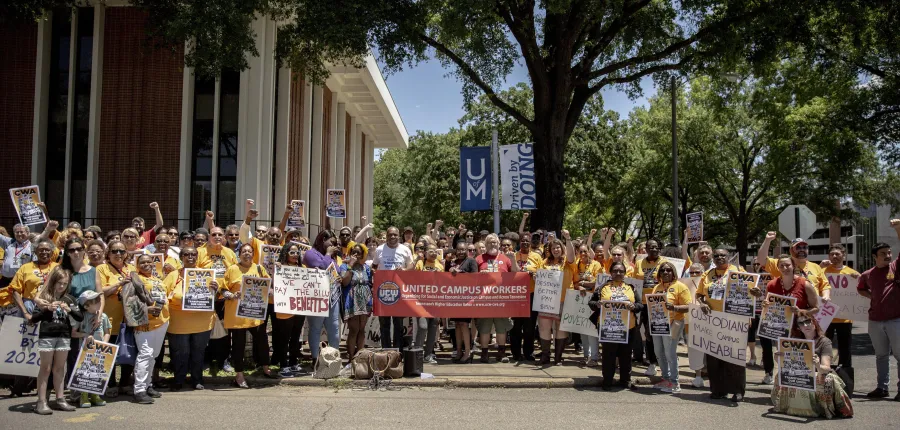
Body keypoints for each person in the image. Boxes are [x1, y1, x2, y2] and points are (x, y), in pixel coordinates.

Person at [695, 247, 753, 403]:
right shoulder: (707, 275)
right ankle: (718, 390)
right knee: (714, 358)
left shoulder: (739, 272)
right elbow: (699, 294)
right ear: (713, 259)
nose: (720, 257)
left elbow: (750, 293)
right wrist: (701, 303)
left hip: (734, 321)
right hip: (713, 321)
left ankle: (738, 391)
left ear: (729, 257)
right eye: (717, 255)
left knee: (734, 358)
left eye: (723, 255)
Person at [770, 316, 853, 418]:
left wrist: (817, 364)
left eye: (808, 321)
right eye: (801, 323)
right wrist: (777, 358)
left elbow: (826, 368)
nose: (806, 325)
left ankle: (824, 409)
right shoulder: (793, 341)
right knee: (780, 375)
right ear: (799, 328)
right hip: (800, 373)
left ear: (814, 324)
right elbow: (785, 365)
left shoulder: (824, 342)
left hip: (819, 372)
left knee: (827, 379)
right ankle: (784, 406)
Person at [222, 243, 276, 388]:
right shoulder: (232, 269)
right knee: (238, 346)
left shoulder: (259, 268)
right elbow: (222, 290)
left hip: (255, 315)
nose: (247, 253)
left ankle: (266, 367)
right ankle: (239, 375)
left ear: (253, 254)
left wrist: (270, 291)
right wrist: (232, 295)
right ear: (239, 254)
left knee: (262, 341)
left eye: (249, 251)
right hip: (237, 316)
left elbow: (268, 285)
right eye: (244, 251)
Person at [165, 246, 218, 390]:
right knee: (180, 353)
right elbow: (164, 295)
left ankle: (197, 379)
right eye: (186, 254)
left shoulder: (206, 274)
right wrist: (178, 300)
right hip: (179, 323)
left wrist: (215, 288)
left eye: (193, 254)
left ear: (197, 257)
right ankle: (178, 379)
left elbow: (213, 297)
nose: (190, 257)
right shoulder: (173, 275)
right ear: (181, 257)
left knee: (198, 353)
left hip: (202, 323)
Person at [30, 267, 81, 414]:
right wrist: (48, 309)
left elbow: (79, 317)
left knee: (59, 368)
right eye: (59, 283)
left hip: (64, 335)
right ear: (52, 282)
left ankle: (60, 399)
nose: (61, 286)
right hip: (47, 335)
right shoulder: (44, 297)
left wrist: (69, 309)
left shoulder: (69, 298)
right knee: (45, 368)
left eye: (64, 284)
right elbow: (34, 318)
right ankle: (41, 401)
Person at [857, 224, 900, 399]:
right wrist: (873, 297)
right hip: (875, 321)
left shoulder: (896, 267)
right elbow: (860, 288)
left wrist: (898, 229)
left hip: (895, 319)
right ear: (875, 256)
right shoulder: (867, 274)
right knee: (881, 355)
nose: (888, 255)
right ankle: (882, 388)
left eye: (889, 252)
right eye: (883, 253)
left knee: (899, 355)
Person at [590, 261, 641, 390]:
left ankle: (625, 380)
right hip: (608, 328)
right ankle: (607, 381)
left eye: (621, 271)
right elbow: (591, 302)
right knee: (608, 355)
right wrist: (597, 304)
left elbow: (640, 305)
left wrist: (634, 306)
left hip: (628, 328)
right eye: (615, 271)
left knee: (626, 355)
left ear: (625, 273)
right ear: (610, 272)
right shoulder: (602, 287)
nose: (618, 273)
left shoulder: (631, 288)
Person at [130, 254, 171, 404]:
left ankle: (148, 385)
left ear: (154, 264)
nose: (146, 264)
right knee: (145, 354)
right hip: (144, 321)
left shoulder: (158, 280)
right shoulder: (135, 279)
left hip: (162, 321)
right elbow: (129, 301)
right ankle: (139, 389)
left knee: (153, 355)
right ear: (137, 265)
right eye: (142, 262)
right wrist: (146, 310)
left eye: (149, 262)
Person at [95, 240, 133, 396]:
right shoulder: (101, 269)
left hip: (129, 319)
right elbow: (100, 291)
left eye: (122, 251)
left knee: (128, 352)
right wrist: (120, 284)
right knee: (108, 352)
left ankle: (124, 383)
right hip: (109, 320)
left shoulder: (131, 268)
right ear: (108, 253)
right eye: (114, 251)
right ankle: (110, 384)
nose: (118, 254)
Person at [474, 234, 519, 363]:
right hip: (484, 300)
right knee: (484, 328)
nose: (492, 245)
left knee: (501, 328)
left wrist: (513, 260)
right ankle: (484, 353)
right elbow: (471, 279)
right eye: (490, 243)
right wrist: (479, 275)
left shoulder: (506, 258)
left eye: (495, 242)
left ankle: (501, 352)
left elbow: (516, 274)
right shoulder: (479, 259)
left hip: (502, 299)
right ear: (486, 245)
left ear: (499, 244)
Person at [650, 261, 691, 393]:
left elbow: (689, 306)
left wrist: (674, 307)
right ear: (659, 274)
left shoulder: (680, 287)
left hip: (674, 323)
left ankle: (674, 382)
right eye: (663, 270)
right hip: (658, 325)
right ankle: (665, 379)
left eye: (668, 270)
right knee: (658, 352)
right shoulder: (657, 288)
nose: (666, 272)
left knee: (670, 353)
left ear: (673, 272)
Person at [302, 230, 343, 358]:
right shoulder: (310, 254)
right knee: (316, 327)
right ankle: (315, 358)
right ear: (323, 239)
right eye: (332, 242)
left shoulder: (332, 255)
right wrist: (328, 254)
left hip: (332, 296)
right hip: (317, 296)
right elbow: (323, 268)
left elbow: (336, 270)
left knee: (334, 327)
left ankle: (333, 357)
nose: (334, 245)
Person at [371, 227, 414, 351]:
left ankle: (397, 353)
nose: (393, 237)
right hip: (383, 292)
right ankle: (386, 351)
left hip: (399, 292)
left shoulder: (405, 249)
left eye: (395, 234)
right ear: (387, 236)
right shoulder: (379, 250)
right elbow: (374, 266)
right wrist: (376, 273)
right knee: (384, 324)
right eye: (390, 235)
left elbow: (411, 265)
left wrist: (405, 270)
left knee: (398, 324)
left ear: (399, 236)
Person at [537, 232, 574, 366]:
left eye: (558, 248)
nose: (556, 250)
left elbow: (571, 256)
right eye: (553, 248)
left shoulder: (567, 262)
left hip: (564, 299)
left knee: (561, 328)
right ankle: (545, 356)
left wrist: (568, 238)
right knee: (544, 327)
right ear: (550, 250)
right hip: (546, 300)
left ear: (562, 249)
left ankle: (558, 358)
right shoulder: (544, 262)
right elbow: (539, 277)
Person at [820, 243, 859, 370]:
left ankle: (845, 372)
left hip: (845, 317)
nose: (834, 256)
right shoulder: (822, 272)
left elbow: (864, 288)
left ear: (844, 255)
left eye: (837, 254)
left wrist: (859, 278)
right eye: (832, 254)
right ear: (828, 256)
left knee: (845, 347)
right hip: (826, 316)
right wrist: (820, 267)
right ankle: (823, 370)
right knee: (824, 345)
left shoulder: (851, 273)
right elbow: (812, 282)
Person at [272, 242, 308, 377]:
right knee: (284, 338)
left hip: (299, 309)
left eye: (297, 252)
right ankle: (283, 365)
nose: (295, 255)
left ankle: (293, 363)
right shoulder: (280, 267)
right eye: (292, 252)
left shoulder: (303, 267)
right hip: (285, 309)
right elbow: (275, 284)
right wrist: (276, 270)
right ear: (285, 253)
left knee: (295, 338)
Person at [70, 290, 111, 408]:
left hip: (100, 350)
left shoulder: (103, 316)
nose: (99, 302)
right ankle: (83, 395)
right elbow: (73, 333)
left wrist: (105, 343)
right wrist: (85, 335)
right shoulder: (81, 317)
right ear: (86, 306)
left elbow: (107, 331)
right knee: (84, 371)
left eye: (99, 299)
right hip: (84, 351)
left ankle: (95, 395)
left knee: (97, 371)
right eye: (95, 301)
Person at [633, 238, 664, 375]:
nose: (653, 249)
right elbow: (635, 282)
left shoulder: (664, 263)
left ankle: (663, 362)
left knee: (660, 333)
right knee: (647, 334)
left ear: (659, 249)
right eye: (650, 247)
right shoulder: (639, 263)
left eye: (656, 247)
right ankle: (652, 363)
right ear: (646, 248)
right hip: (644, 303)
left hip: (659, 303)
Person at [510, 232, 543, 362]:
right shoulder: (513, 256)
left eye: (527, 241)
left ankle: (528, 352)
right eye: (523, 241)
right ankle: (516, 353)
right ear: (519, 242)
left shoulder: (537, 257)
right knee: (516, 326)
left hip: (531, 294)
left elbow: (542, 275)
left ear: (530, 243)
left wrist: (534, 275)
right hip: (516, 295)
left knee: (529, 327)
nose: (525, 243)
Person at [10, 238, 58, 321]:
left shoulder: (58, 267)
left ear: (52, 252)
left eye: (47, 250)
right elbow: (15, 291)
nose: (44, 252)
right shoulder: (25, 267)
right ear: (35, 252)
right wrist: (25, 312)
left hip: (53, 306)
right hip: (30, 307)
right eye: (41, 250)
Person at [340, 244, 373, 361]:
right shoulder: (345, 266)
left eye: (359, 252)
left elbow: (369, 282)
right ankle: (351, 358)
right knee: (354, 330)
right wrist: (350, 265)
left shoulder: (366, 268)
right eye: (354, 252)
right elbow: (344, 282)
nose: (356, 255)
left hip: (364, 300)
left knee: (362, 329)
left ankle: (360, 357)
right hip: (352, 300)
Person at [447, 242, 478, 363]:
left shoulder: (471, 261)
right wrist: (449, 268)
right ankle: (459, 350)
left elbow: (475, 278)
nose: (460, 252)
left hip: (467, 298)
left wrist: (461, 273)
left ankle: (468, 351)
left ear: (467, 251)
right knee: (457, 324)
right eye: (458, 250)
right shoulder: (453, 262)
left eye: (463, 250)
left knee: (464, 325)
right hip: (455, 297)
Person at [414, 243, 444, 364]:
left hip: (436, 302)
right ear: (425, 253)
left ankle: (428, 355)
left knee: (433, 328)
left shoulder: (440, 266)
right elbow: (413, 278)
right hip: (421, 301)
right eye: (430, 251)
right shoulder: (420, 264)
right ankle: (417, 353)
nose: (433, 253)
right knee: (422, 327)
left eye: (435, 251)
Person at [575, 243, 603, 366]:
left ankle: (595, 357)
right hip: (579, 299)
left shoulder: (596, 265)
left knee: (592, 329)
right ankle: (586, 355)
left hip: (593, 299)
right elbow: (573, 282)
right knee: (582, 328)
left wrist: (582, 284)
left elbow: (597, 283)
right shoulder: (576, 265)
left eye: (585, 251)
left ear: (589, 252)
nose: (582, 254)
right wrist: (579, 285)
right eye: (580, 251)